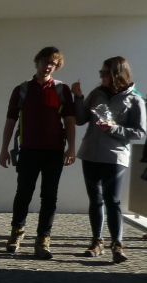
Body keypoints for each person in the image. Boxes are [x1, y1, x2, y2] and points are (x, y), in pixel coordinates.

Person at [0, 46, 76, 259]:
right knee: (23, 193)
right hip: (28, 150)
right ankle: (17, 232)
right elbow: (10, 120)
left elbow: (70, 120)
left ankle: (43, 239)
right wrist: (4, 149)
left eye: (52, 63)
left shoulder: (62, 89)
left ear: (56, 66)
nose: (48, 66)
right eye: (44, 61)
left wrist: (71, 147)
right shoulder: (22, 89)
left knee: (49, 197)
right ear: (37, 62)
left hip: (54, 151)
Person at [72, 56, 146, 263]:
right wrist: (78, 97)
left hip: (115, 156)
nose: (102, 76)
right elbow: (80, 119)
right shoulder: (97, 94)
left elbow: (140, 132)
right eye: (101, 73)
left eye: (105, 73)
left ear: (117, 74)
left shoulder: (134, 99)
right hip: (90, 153)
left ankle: (117, 245)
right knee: (95, 199)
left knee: (112, 200)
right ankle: (97, 241)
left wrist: (113, 129)